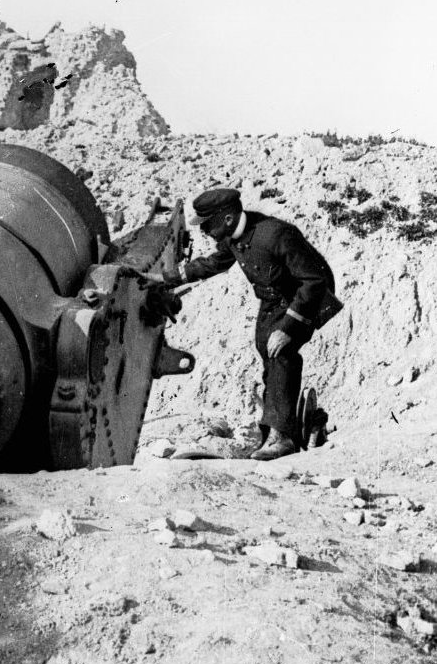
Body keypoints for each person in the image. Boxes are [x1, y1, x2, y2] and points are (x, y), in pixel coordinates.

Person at [141, 188, 341, 460]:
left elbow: (314, 281)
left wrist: (288, 328)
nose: (205, 232)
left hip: (304, 300)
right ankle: (282, 430)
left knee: (281, 352)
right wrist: (166, 278)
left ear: (226, 219)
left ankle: (281, 438)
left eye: (208, 225)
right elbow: (214, 264)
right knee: (266, 351)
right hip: (273, 301)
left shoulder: (276, 234)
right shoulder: (233, 236)